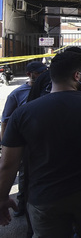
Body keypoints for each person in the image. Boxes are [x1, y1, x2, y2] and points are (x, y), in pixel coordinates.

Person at [0, 52, 81, 237]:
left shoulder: (24, 113)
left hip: (44, 197)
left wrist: (2, 197)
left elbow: (8, 163)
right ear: (77, 75)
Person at [0, 61, 47, 219]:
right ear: (30, 74)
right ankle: (21, 204)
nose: (42, 74)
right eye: (39, 72)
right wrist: (5, 143)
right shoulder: (17, 94)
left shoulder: (47, 89)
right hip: (23, 142)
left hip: (41, 142)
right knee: (23, 174)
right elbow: (6, 120)